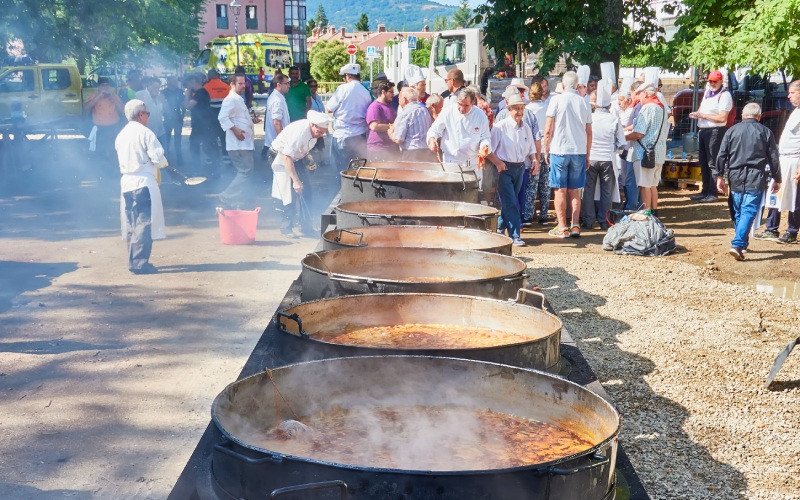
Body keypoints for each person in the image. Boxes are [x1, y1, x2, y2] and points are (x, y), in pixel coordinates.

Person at [715, 102, 782, 259]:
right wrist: (777, 178)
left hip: (735, 175)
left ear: (742, 115)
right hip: (755, 175)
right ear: (758, 117)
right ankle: (738, 244)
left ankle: (741, 245)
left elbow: (721, 155)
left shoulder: (731, 131)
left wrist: (719, 176)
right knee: (749, 210)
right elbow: (773, 157)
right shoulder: (765, 132)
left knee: (739, 210)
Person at [115, 99, 168, 275]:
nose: (148, 117)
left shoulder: (121, 134)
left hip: (126, 183)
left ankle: (133, 259)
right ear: (140, 115)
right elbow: (158, 158)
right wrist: (165, 164)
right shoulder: (146, 133)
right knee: (143, 223)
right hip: (143, 183)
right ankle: (138, 263)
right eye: (147, 113)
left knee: (132, 223)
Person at [542, 70, 592, 238]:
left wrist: (546, 149)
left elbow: (548, 129)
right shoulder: (584, 102)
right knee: (575, 190)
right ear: (577, 85)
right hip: (578, 150)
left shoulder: (555, 100)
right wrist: (587, 154)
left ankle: (562, 227)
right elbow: (589, 131)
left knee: (560, 190)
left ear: (563, 85)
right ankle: (576, 226)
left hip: (559, 149)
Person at [270, 110, 331, 235]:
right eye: (319, 132)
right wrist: (296, 181)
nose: (319, 135)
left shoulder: (315, 133)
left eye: (322, 133)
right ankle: (286, 227)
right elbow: (286, 156)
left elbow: (302, 148)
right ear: (312, 124)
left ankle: (306, 227)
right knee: (288, 193)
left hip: (295, 158)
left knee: (306, 191)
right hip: (280, 158)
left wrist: (307, 158)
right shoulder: (300, 132)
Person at [491, 93, 539, 246]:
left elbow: (531, 147)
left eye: (521, 108)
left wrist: (534, 160)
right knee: (511, 201)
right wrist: (498, 163)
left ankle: (499, 228)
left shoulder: (525, 127)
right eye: (516, 109)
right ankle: (515, 234)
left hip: (520, 168)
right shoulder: (500, 127)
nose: (519, 112)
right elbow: (489, 151)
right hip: (504, 169)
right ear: (509, 109)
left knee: (509, 202)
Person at [756, 80, 800, 244]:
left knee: (795, 197)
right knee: (775, 192)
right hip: (783, 159)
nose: (788, 96)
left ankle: (791, 232)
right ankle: (771, 229)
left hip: (796, 160)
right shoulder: (796, 111)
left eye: (792, 92)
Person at [581, 82, 626, 229]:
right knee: (606, 191)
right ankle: (604, 221)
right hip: (607, 158)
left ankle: (588, 220)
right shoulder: (614, 119)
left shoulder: (590, 118)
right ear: (609, 105)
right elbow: (621, 143)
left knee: (588, 190)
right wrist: (614, 151)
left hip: (591, 157)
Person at [426, 88, 492, 185]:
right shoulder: (448, 111)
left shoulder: (480, 115)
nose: (461, 108)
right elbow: (434, 130)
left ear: (473, 103)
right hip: (450, 163)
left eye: (466, 105)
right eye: (460, 104)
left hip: (472, 165)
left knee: (472, 197)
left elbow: (485, 137)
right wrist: (432, 140)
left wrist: (485, 147)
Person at [689, 70, 733, 202]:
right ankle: (705, 190)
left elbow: (722, 118)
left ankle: (713, 193)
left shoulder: (725, 95)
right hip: (703, 130)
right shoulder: (708, 93)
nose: (712, 83)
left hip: (716, 131)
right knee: (703, 162)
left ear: (721, 81)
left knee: (712, 162)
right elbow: (704, 111)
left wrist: (702, 116)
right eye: (710, 81)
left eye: (715, 81)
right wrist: (697, 114)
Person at [625, 81, 669, 212]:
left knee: (644, 186)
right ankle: (654, 213)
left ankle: (646, 214)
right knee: (653, 186)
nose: (638, 98)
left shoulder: (648, 108)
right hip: (658, 152)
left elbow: (639, 133)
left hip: (645, 154)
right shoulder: (661, 108)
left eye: (639, 95)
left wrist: (624, 137)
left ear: (645, 93)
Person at [218, 74, 260, 209]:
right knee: (246, 171)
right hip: (238, 144)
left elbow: (237, 117)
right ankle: (227, 196)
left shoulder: (238, 99)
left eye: (244, 83)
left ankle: (240, 202)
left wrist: (251, 121)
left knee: (246, 172)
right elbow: (222, 117)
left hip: (243, 143)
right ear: (232, 84)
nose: (244, 86)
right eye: (240, 84)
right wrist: (236, 130)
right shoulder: (230, 99)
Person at [326, 63, 372, 169]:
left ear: (348, 76)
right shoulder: (366, 92)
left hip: (343, 136)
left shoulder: (343, 89)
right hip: (359, 135)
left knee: (342, 169)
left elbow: (329, 108)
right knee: (357, 169)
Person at [524, 77, 553, 225]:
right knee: (545, 183)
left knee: (532, 184)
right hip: (547, 148)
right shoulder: (548, 108)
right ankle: (544, 215)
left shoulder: (527, 111)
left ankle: (528, 215)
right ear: (542, 93)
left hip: (533, 150)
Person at [85, 77, 124, 165]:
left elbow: (123, 110)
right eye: (103, 86)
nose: (105, 88)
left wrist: (112, 97)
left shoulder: (114, 96)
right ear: (99, 87)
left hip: (113, 127)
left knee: (113, 149)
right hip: (99, 128)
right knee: (99, 149)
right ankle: (100, 168)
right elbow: (86, 108)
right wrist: (99, 96)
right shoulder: (93, 95)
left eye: (107, 86)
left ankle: (113, 167)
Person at [389, 86, 434, 161]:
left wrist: (390, 133)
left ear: (404, 99)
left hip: (412, 153)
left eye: (399, 97)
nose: (398, 100)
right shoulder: (424, 110)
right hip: (426, 152)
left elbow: (399, 139)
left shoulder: (405, 114)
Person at [185, 73, 218, 175]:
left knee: (199, 146)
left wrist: (187, 95)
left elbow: (188, 106)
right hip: (202, 124)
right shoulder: (201, 92)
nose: (187, 86)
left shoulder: (201, 93)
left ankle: (200, 168)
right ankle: (213, 169)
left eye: (188, 84)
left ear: (193, 82)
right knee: (204, 146)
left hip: (202, 125)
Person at [365, 80, 398, 160]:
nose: (393, 95)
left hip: (390, 148)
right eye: (391, 92)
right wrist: (391, 126)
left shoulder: (388, 106)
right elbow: (374, 126)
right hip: (378, 149)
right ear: (383, 92)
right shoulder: (375, 107)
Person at [263, 73, 291, 163]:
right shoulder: (277, 100)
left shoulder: (277, 96)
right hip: (278, 143)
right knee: (281, 171)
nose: (289, 86)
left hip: (276, 141)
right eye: (286, 83)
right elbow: (277, 122)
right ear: (279, 85)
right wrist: (283, 140)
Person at [204, 69, 230, 154]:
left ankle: (214, 161)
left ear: (209, 76)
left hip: (211, 118)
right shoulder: (226, 86)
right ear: (217, 76)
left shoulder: (205, 87)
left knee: (212, 139)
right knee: (224, 139)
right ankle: (227, 161)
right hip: (224, 117)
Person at [135, 77, 167, 146]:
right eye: (155, 87)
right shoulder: (139, 95)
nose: (157, 90)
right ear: (148, 86)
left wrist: (163, 101)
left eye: (158, 88)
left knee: (163, 154)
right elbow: (136, 113)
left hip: (160, 132)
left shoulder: (160, 96)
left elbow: (167, 111)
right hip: (147, 133)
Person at [162, 75, 185, 165]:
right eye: (173, 81)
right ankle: (166, 158)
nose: (176, 83)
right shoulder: (163, 92)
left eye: (176, 81)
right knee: (167, 138)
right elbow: (162, 106)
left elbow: (182, 104)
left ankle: (179, 158)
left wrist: (182, 114)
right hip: (167, 119)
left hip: (178, 118)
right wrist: (170, 114)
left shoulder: (179, 91)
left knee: (178, 138)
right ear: (168, 82)